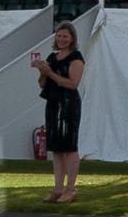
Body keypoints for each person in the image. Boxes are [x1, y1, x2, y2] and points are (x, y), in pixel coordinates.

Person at [30, 21, 86, 203]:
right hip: (53, 104)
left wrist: (51, 73)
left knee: (69, 147)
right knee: (56, 148)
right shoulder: (52, 57)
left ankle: (71, 189)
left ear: (72, 39)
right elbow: (42, 83)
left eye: (65, 36)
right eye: (59, 36)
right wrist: (43, 71)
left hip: (68, 104)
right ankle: (57, 188)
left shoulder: (76, 58)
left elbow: (72, 83)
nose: (61, 39)